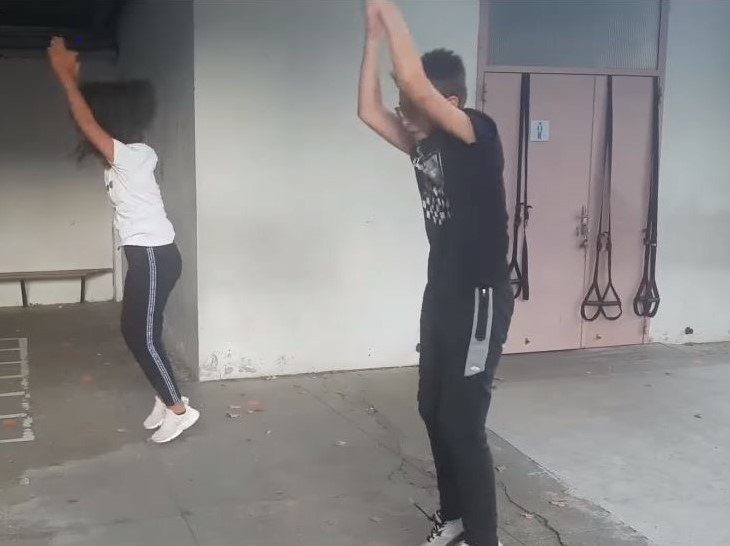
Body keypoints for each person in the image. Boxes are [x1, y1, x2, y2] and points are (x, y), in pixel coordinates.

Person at [357, 2, 513, 545]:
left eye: (412, 106)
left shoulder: (476, 136)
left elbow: (411, 84)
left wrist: (386, 10)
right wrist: (371, 38)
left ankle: (484, 538)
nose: (403, 116)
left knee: (462, 424)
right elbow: (368, 111)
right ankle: (456, 518)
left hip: (479, 298)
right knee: (432, 409)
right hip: (442, 294)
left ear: (448, 103)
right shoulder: (422, 147)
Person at [47, 37, 199, 444]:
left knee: (140, 334)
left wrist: (66, 79)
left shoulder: (134, 156)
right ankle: (165, 396)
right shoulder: (120, 163)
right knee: (138, 331)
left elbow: (87, 124)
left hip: (154, 257)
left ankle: (179, 411)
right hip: (147, 256)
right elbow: (90, 127)